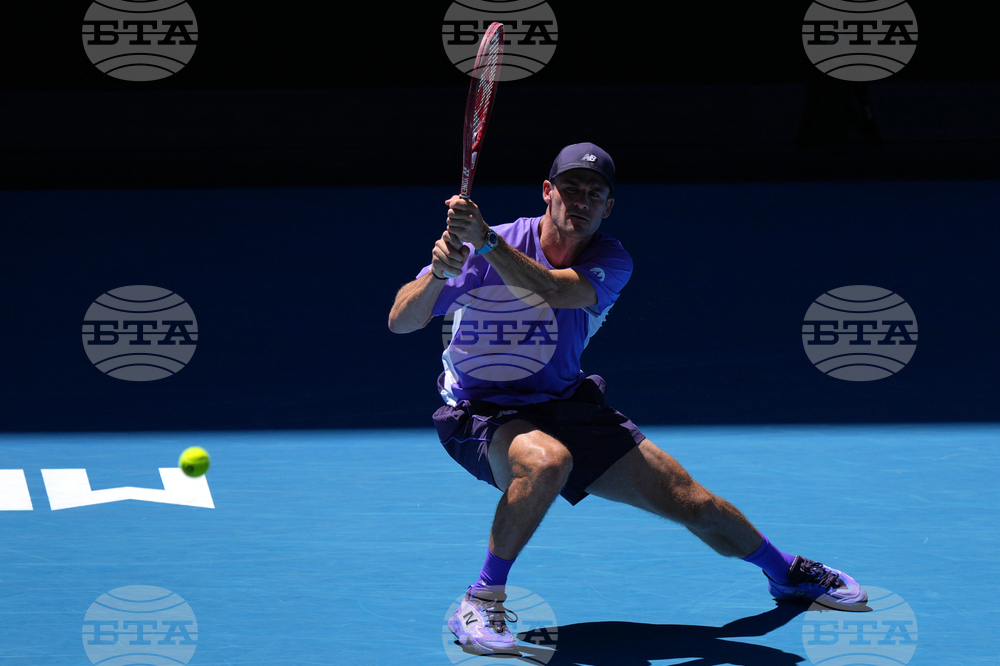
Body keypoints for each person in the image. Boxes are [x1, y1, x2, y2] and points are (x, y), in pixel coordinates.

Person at [387, 143, 867, 656]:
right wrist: (439, 274)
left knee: (695, 503)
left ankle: (786, 573)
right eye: (570, 189)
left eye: (595, 194)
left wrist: (484, 245)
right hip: (480, 411)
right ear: (547, 193)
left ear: (607, 207)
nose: (581, 201)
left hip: (564, 402)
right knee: (547, 462)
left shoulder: (608, 259)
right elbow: (401, 320)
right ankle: (481, 600)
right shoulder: (491, 246)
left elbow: (554, 291)